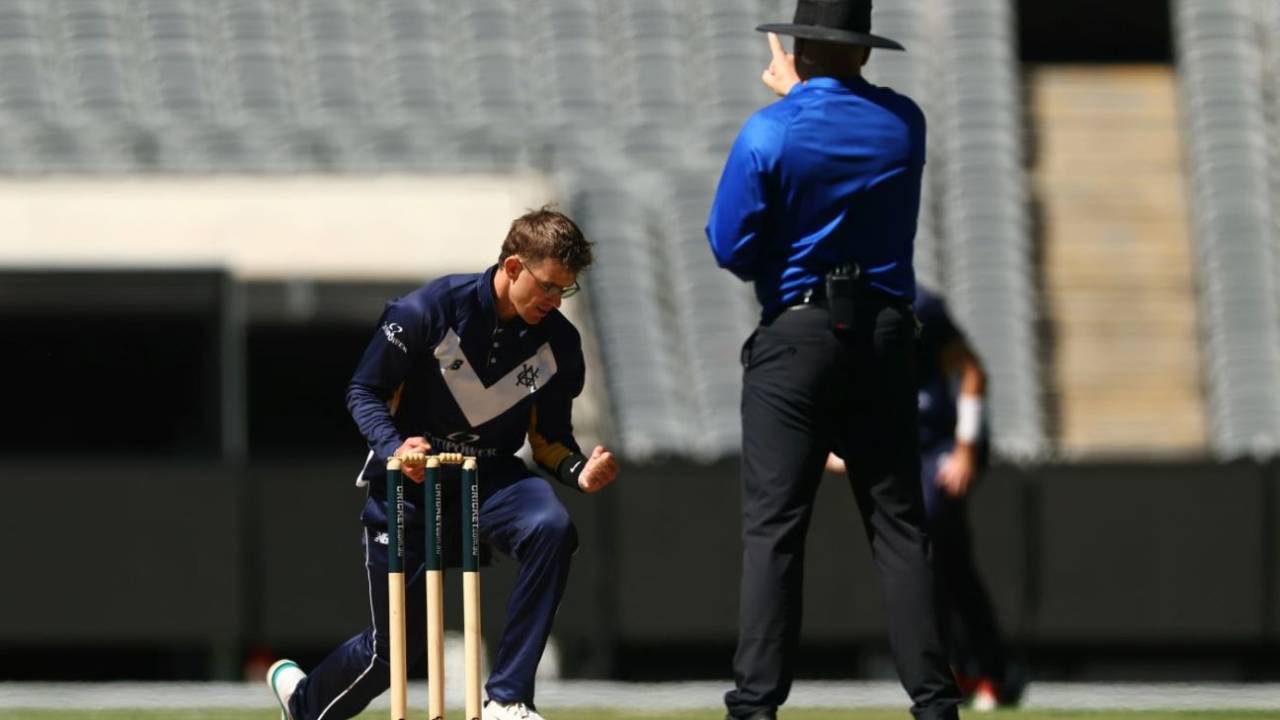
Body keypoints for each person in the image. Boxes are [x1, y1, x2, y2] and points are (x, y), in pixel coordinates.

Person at [705, 1, 962, 718]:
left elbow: (730, 246)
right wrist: (810, 93)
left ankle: (756, 706)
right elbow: (853, 125)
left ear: (798, 47)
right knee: (899, 527)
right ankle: (936, 704)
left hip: (798, 335)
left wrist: (796, 99)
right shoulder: (904, 123)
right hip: (884, 335)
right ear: (865, 50)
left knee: (775, 528)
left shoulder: (770, 132)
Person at [265, 206, 620, 720]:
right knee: (392, 657)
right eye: (547, 286)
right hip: (413, 480)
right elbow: (365, 391)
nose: (553, 301)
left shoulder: (559, 343)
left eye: (563, 291)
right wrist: (395, 448)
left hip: (490, 478)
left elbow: (548, 440)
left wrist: (577, 471)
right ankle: (303, 704)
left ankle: (508, 698)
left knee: (552, 528)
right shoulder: (427, 310)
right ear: (514, 266)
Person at [827, 286, 1025, 711]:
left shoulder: (922, 307)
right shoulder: (839, 308)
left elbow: (972, 372)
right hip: (898, 448)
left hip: (938, 445)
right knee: (930, 563)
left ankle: (989, 670)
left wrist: (966, 448)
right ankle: (962, 668)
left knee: (935, 542)